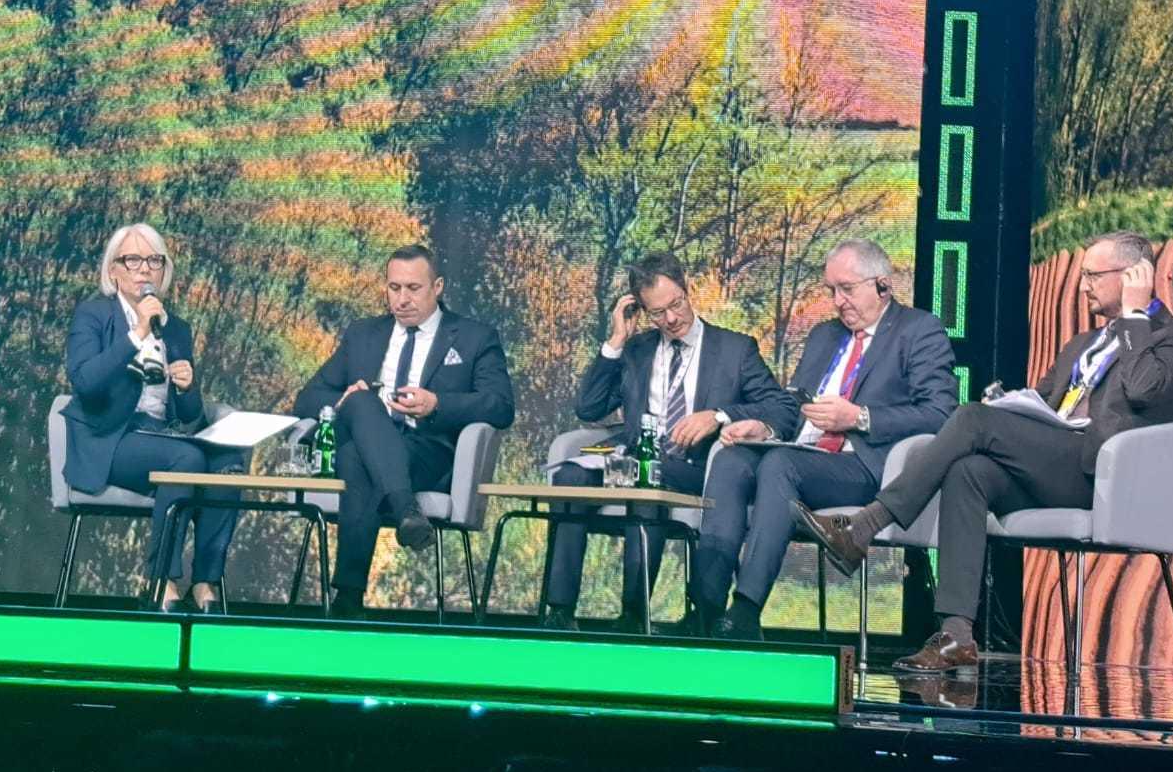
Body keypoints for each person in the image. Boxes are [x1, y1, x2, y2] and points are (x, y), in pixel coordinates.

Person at [794, 230, 1173, 672]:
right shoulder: (1082, 345)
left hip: (1106, 477)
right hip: (1055, 465)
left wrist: (1134, 316)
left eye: (1093, 276)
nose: (1082, 286)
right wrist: (1012, 406)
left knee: (972, 418)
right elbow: (1046, 403)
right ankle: (956, 635)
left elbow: (1144, 389)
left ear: (1133, 276)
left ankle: (865, 525)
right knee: (969, 471)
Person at [707, 239, 958, 639]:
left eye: (847, 289)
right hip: (801, 451)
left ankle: (745, 611)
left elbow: (940, 413)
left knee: (780, 465)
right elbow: (793, 406)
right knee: (731, 459)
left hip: (864, 464)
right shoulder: (824, 335)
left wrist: (859, 417)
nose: (838, 301)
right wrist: (765, 428)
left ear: (882, 285)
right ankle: (706, 608)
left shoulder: (918, 330)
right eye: (832, 291)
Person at [541, 251, 798, 634]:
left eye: (676, 304)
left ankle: (633, 615)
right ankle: (560, 612)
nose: (672, 319)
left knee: (650, 477)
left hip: (692, 467)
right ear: (643, 311)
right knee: (569, 477)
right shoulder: (637, 350)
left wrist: (719, 416)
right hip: (633, 456)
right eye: (658, 313)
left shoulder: (734, 349)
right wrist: (616, 341)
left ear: (686, 289)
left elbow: (783, 410)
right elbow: (589, 407)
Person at [294, 244, 514, 619]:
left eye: (413, 288)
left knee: (356, 457)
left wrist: (437, 404)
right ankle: (406, 510)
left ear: (437, 287)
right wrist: (347, 398)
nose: (402, 299)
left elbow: (500, 406)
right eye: (394, 288)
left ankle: (348, 597)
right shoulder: (363, 334)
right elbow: (307, 399)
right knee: (361, 405)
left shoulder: (474, 337)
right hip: (370, 446)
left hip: (426, 452)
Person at [62, 222, 241, 613]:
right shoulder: (94, 315)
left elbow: (189, 417)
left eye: (154, 261)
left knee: (228, 461)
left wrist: (187, 387)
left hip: (163, 436)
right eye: (133, 260)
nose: (144, 269)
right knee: (187, 459)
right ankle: (162, 580)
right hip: (110, 439)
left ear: (164, 271)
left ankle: (205, 581)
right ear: (113, 271)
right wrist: (137, 333)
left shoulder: (176, 329)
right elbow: (86, 383)